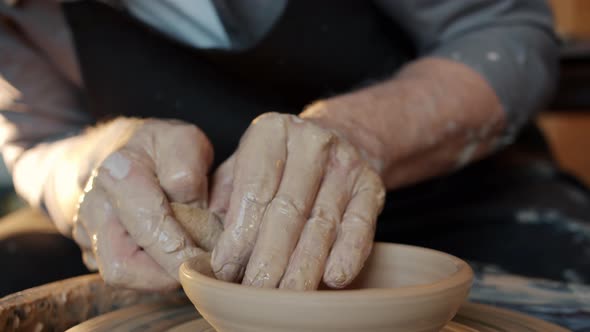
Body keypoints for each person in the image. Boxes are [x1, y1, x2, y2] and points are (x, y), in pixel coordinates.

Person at [0, 0, 563, 292]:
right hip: (193, 251)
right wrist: (104, 165)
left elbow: (504, 33)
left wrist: (361, 134)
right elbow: (38, 141)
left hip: (451, 197)